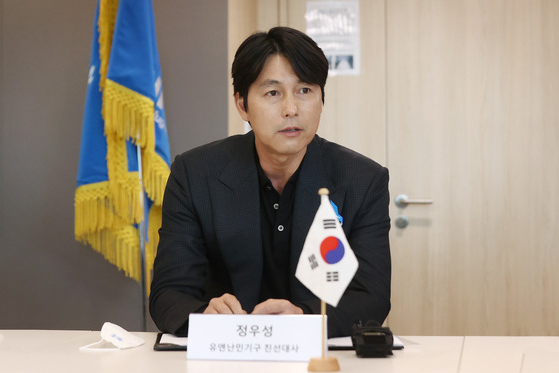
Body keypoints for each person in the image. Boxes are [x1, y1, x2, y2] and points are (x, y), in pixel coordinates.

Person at [149, 26, 391, 338]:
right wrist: (204, 315)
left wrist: (303, 318)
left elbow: (371, 298)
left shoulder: (363, 180)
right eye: (273, 93)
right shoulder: (195, 175)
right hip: (225, 354)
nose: (292, 109)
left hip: (317, 356)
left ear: (321, 98)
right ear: (242, 105)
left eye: (305, 90)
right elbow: (169, 294)